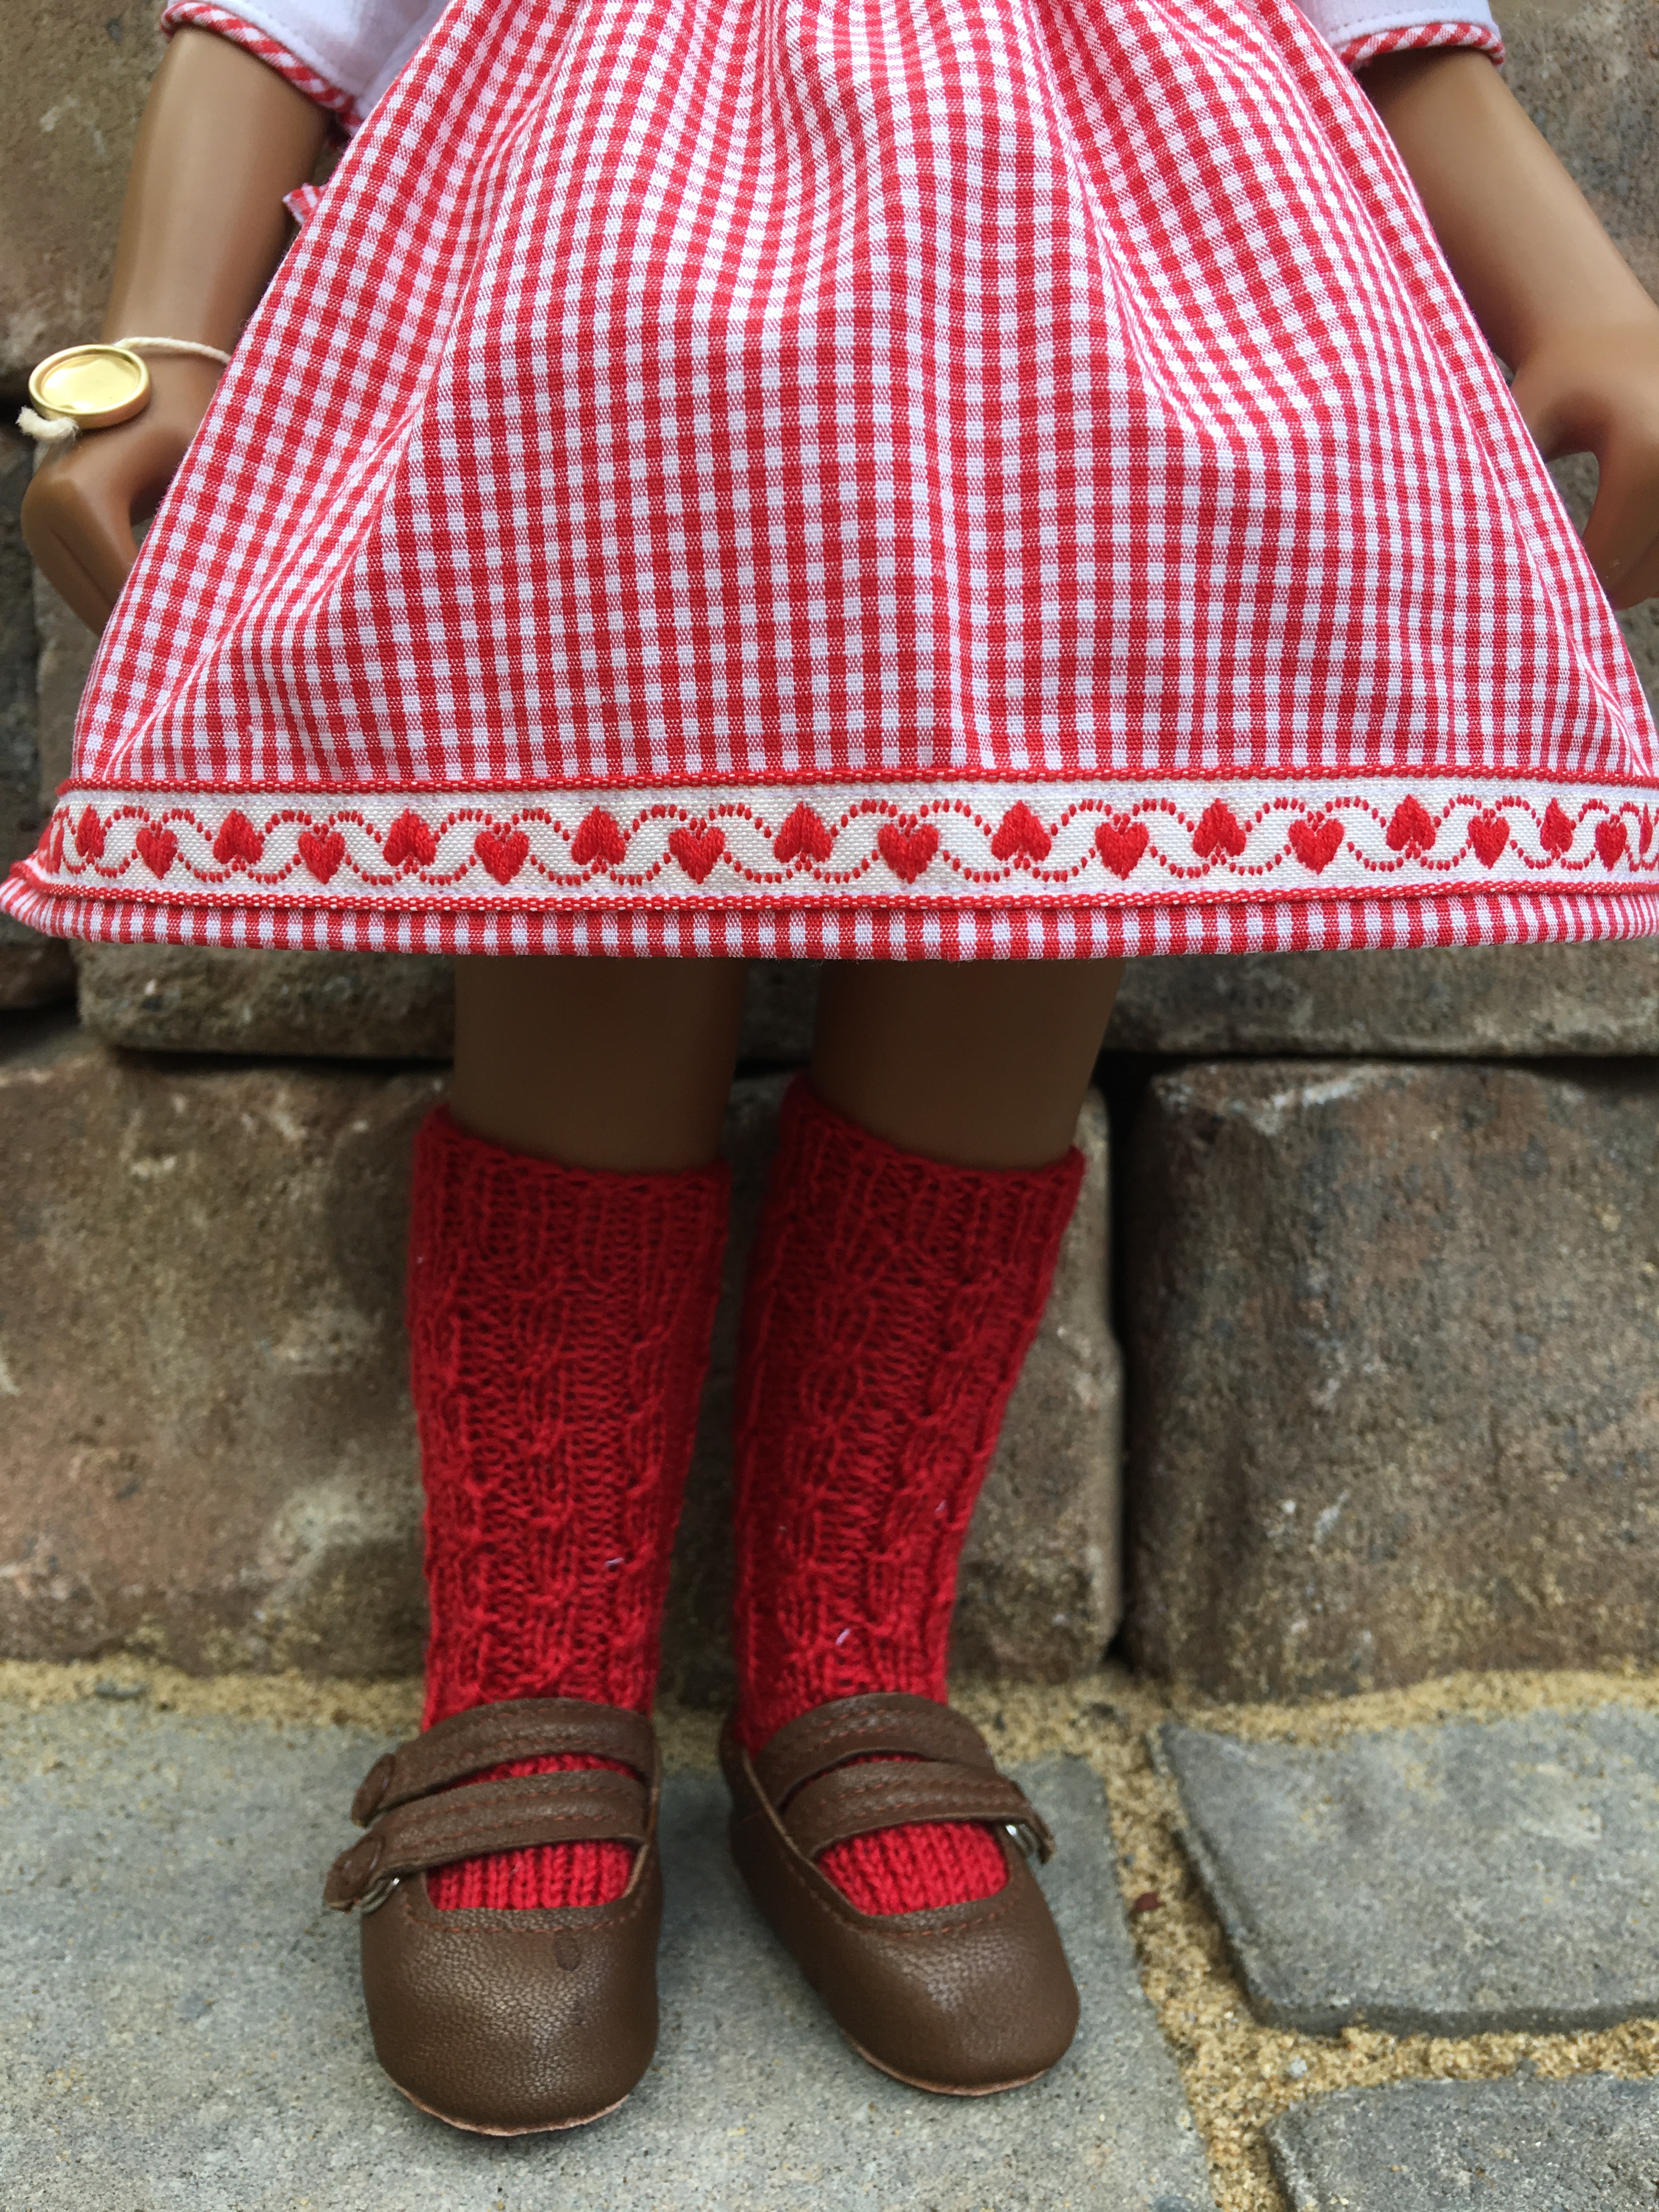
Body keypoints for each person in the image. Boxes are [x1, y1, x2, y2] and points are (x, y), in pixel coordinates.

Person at [8, 0, 1659, 2138]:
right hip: (608, 238)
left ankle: (852, 1651)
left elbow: (1377, 18)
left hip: (1094, 260)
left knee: (1052, 845)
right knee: (583, 839)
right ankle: (537, 1662)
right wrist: (161, 340)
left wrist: (1582, 293)